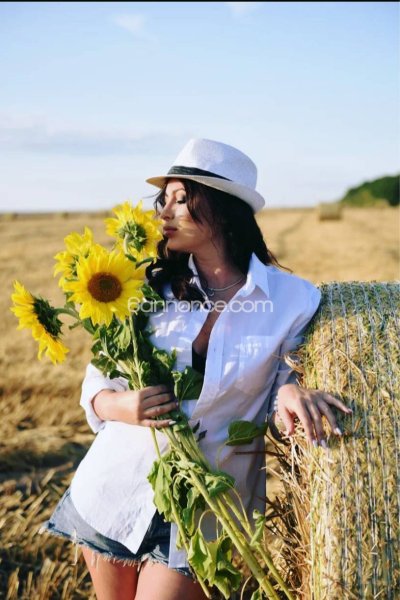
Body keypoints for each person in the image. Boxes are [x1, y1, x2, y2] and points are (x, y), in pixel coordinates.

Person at [39, 138, 352, 600]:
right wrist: (122, 406)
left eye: (181, 199)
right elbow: (98, 382)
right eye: (163, 200)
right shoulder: (146, 290)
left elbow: (280, 391)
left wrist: (288, 393)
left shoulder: (293, 300)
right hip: (117, 488)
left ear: (222, 209)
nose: (164, 212)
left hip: (209, 507)